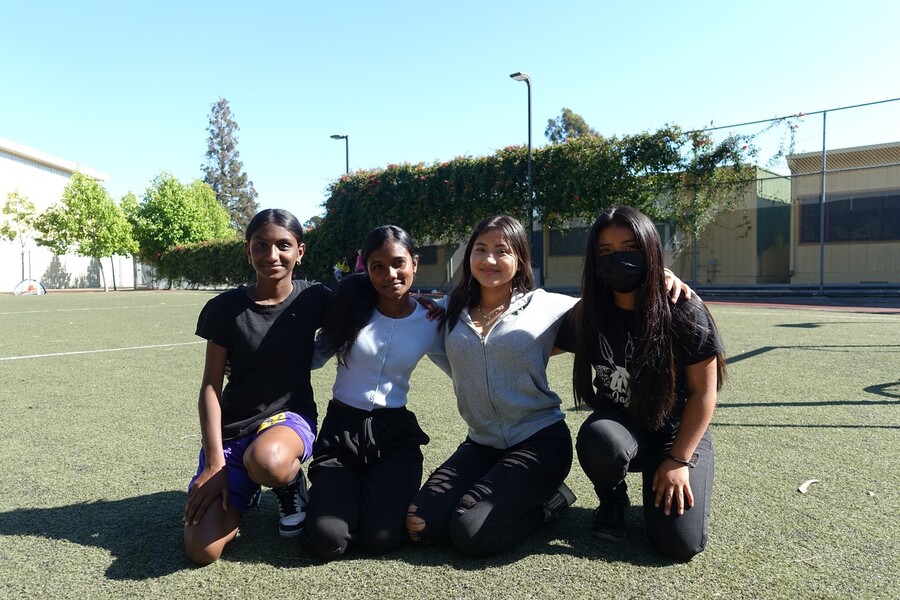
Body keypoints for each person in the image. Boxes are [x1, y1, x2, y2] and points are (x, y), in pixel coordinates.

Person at [556, 205, 726, 561]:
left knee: (679, 544)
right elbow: (531, 342)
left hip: (675, 434)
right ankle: (613, 498)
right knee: (600, 439)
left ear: (650, 251)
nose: (618, 259)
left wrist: (679, 459)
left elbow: (702, 393)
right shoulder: (588, 313)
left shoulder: (682, 309)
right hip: (623, 428)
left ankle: (663, 475)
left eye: (630, 248)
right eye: (605, 252)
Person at [404, 215, 581, 557]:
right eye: (480, 250)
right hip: (481, 443)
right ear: (469, 256)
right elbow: (398, 308)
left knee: (470, 532)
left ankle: (551, 502)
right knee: (420, 524)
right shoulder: (448, 310)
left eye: (502, 251)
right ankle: (496, 487)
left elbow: (610, 309)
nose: (489, 260)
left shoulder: (544, 305)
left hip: (540, 442)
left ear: (519, 259)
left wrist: (662, 278)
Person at [183, 208, 329, 565]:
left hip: (288, 420)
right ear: (248, 250)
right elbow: (210, 389)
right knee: (202, 550)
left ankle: (288, 483)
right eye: (261, 245)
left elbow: (370, 299)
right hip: (234, 429)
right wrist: (215, 462)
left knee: (269, 461)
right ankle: (244, 491)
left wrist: (423, 305)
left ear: (300, 251)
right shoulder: (223, 309)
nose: (272, 255)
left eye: (283, 245)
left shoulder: (316, 298)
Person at [300, 226, 445, 561]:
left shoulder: (432, 318)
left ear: (414, 264)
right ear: (366, 268)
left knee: (382, 538)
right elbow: (313, 357)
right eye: (378, 266)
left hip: (394, 437)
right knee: (327, 540)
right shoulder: (351, 306)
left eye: (398, 263)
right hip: (341, 433)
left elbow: (461, 366)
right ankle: (330, 493)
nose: (390, 274)